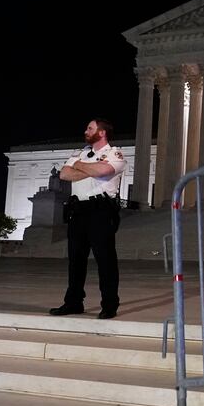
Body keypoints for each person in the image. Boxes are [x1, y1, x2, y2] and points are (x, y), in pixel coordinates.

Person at [49, 119, 127, 320]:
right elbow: (65, 175)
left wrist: (80, 166)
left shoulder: (114, 154)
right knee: (75, 260)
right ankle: (73, 302)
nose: (86, 131)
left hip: (100, 211)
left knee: (105, 261)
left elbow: (104, 171)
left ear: (102, 132)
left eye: (90, 128)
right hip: (78, 211)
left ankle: (109, 304)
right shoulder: (80, 152)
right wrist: (90, 168)